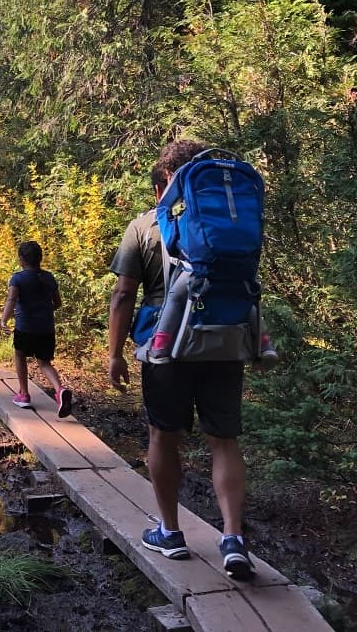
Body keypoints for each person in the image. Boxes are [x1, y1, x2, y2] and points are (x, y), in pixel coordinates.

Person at [107, 140, 256, 580]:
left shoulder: (146, 225)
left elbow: (123, 294)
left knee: (163, 434)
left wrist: (114, 353)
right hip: (224, 340)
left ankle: (170, 532)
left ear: (162, 186)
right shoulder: (231, 222)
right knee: (224, 440)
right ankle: (233, 539)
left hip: (165, 345)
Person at [0, 240, 73, 419]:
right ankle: (59, 390)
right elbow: (58, 303)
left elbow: (11, 300)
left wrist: (4, 320)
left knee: (20, 355)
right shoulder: (49, 277)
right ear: (40, 258)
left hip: (25, 327)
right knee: (44, 362)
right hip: (46, 329)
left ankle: (24, 395)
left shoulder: (18, 278)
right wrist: (43, 311)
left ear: (21, 259)